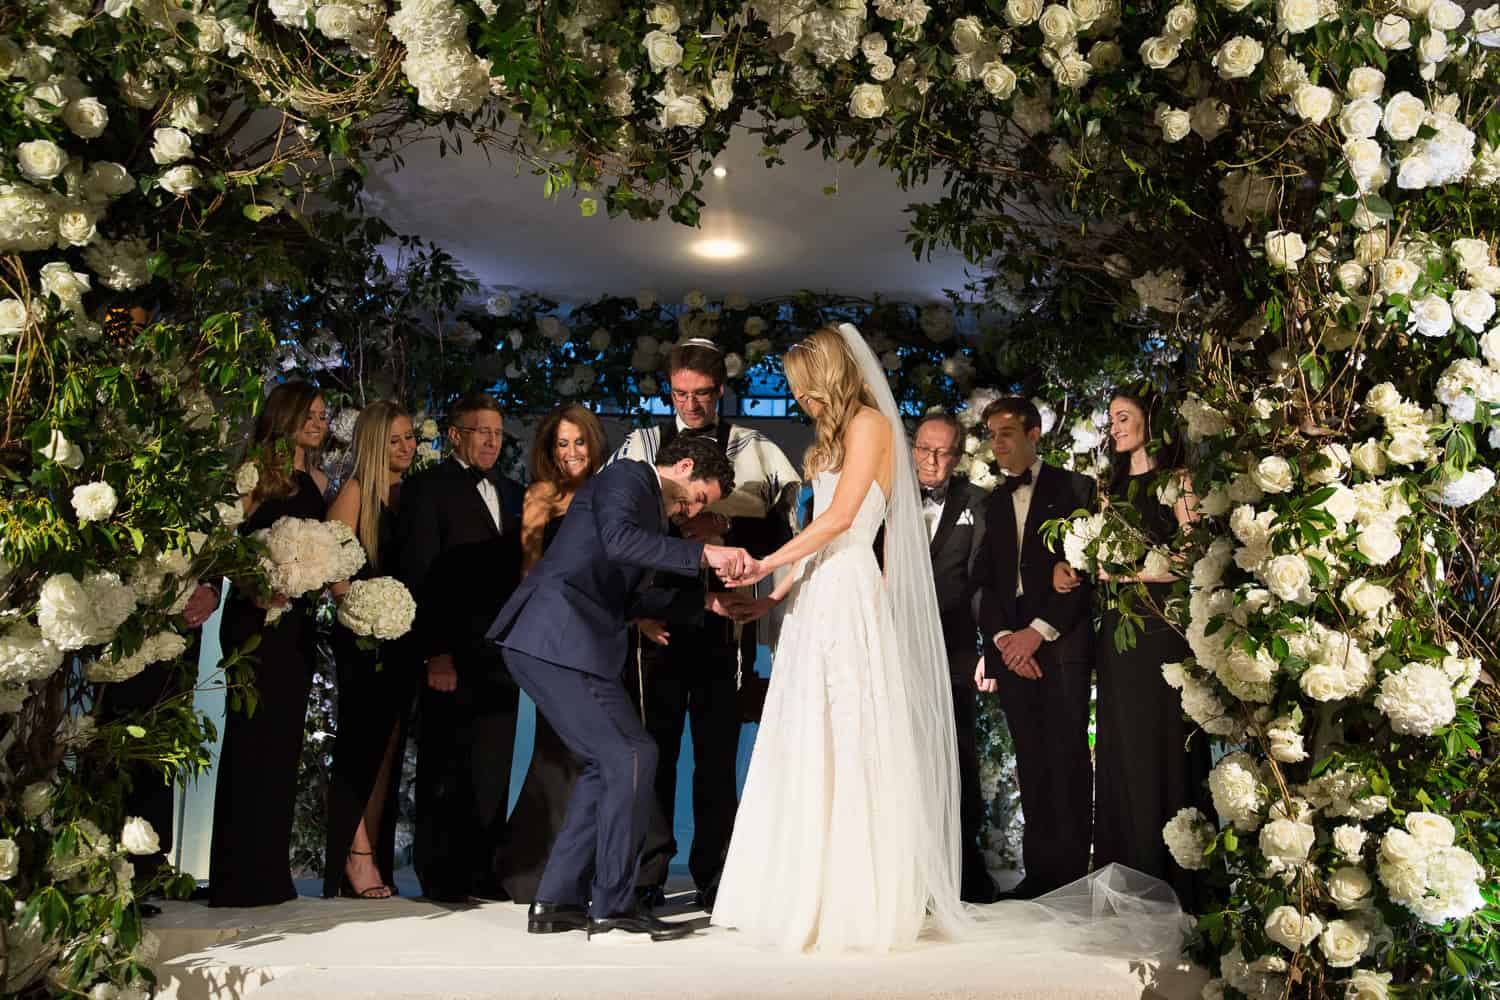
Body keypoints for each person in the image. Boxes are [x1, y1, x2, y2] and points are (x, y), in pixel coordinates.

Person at [710, 325, 968, 952]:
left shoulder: (872, 425)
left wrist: (765, 562)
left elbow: (842, 520)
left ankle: (855, 900)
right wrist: (771, 597)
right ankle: (801, 889)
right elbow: (817, 536)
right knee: (807, 735)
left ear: (830, 375)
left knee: (851, 734)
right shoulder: (833, 437)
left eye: (805, 387)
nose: (802, 400)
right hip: (815, 595)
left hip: (850, 591)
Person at [487, 434, 750, 941]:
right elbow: (619, 542)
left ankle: (557, 902)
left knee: (607, 764)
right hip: (557, 638)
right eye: (698, 497)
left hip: (568, 644)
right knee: (632, 754)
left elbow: (630, 596)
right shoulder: (629, 477)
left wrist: (708, 604)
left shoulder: (649, 512)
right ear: (684, 466)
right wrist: (707, 555)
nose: (693, 510)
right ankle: (612, 905)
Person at [609, 338, 799, 910]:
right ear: (668, 390)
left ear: (721, 391)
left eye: (702, 394)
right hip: (659, 621)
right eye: (680, 393)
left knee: (718, 757)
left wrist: (725, 529)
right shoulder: (641, 446)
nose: (690, 404)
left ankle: (717, 876)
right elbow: (617, 533)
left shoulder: (755, 448)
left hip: (727, 624)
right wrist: (640, 606)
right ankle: (648, 874)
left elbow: (784, 534)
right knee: (654, 751)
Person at [1054, 387, 1211, 909]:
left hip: (1161, 630)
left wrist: (1128, 572)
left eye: (1124, 417)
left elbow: (1193, 558)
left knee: (1160, 743)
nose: (1115, 427)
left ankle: (1172, 874)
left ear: (1151, 421)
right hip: (1118, 634)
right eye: (1112, 419)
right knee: (1121, 746)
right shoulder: (1109, 488)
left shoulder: (1179, 483)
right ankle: (1127, 868)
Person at [394, 391, 525, 903]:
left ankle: (482, 869)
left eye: (497, 433)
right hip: (450, 650)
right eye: (480, 432)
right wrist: (436, 651)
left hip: (501, 652)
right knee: (445, 763)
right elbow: (420, 573)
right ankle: (441, 873)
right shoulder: (427, 488)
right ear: (455, 435)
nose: (491, 441)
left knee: (493, 763)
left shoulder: (515, 492)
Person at [209, 380, 330, 907]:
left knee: (283, 744)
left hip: (297, 623)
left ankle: (270, 874)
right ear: (286, 416)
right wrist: (256, 583)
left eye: (323, 416)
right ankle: (236, 876)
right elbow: (220, 543)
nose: (319, 424)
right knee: (250, 740)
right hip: (253, 620)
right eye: (310, 414)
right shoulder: (254, 473)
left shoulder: (320, 480)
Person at [970, 396, 1096, 901]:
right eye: (992, 436)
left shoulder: (1076, 488)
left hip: (1059, 643)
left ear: (1033, 434)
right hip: (1012, 648)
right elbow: (983, 582)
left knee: (1067, 758)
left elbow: (1085, 572)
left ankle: (1073, 878)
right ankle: (1040, 877)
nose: (997, 444)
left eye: (1006, 433)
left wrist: (1037, 631)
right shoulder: (993, 502)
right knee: (1031, 759)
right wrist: (1004, 640)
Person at [500, 404, 608, 903]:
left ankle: (586, 872)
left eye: (579, 442)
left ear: (594, 443)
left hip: (605, 634)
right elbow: (531, 572)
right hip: (558, 635)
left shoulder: (609, 491)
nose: (571, 453)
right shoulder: (541, 495)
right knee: (557, 750)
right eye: (562, 444)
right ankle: (534, 873)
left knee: (596, 754)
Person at [322, 402, 418, 900]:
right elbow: (334, 574)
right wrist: (367, 615)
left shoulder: (412, 494)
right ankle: (354, 855)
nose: (407, 447)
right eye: (395, 440)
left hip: (402, 636)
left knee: (389, 749)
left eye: (410, 438)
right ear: (375, 443)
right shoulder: (356, 492)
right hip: (362, 637)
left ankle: (372, 851)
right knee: (361, 746)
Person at [911, 411, 997, 904]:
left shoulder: (976, 502)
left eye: (943, 453)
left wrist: (988, 647)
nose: (932, 461)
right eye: (925, 449)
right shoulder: (887, 496)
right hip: (895, 644)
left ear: (959, 457)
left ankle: (964, 871)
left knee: (959, 754)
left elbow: (983, 580)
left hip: (955, 647)